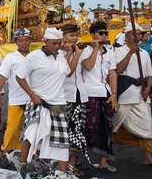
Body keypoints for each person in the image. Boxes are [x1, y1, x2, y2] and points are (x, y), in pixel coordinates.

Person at [16, 27, 70, 176]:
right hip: (38, 102)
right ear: (45, 41)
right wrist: (32, 95)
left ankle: (61, 173)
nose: (57, 46)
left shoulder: (61, 57)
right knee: (31, 135)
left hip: (58, 103)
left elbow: (68, 72)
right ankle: (23, 165)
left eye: (59, 43)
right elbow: (19, 77)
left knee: (60, 139)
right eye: (54, 43)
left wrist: (74, 53)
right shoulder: (33, 57)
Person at [113, 23, 152, 169]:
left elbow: (150, 75)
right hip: (124, 94)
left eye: (139, 34)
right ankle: (105, 155)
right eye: (133, 34)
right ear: (126, 36)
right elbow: (118, 70)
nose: (136, 37)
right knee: (114, 125)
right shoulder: (118, 51)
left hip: (140, 95)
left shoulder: (145, 53)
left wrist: (148, 88)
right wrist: (130, 53)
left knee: (147, 124)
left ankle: (148, 156)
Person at [80, 20, 118, 173]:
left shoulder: (110, 51)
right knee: (88, 127)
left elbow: (113, 73)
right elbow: (88, 66)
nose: (104, 36)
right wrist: (95, 49)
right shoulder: (85, 50)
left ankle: (103, 161)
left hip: (106, 92)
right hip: (89, 93)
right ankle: (76, 158)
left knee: (107, 127)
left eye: (106, 33)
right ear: (93, 35)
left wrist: (114, 94)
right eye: (101, 33)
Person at [0, 28, 31, 155]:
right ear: (16, 42)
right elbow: (2, 77)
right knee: (13, 128)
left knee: (30, 128)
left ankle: (24, 152)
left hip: (33, 99)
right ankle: (6, 150)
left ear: (30, 41)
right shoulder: (10, 57)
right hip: (16, 98)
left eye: (26, 40)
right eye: (20, 41)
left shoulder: (35, 56)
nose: (24, 43)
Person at [59, 24, 89, 177]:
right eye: (71, 35)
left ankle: (71, 162)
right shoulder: (57, 52)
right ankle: (62, 164)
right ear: (63, 37)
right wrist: (73, 53)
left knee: (77, 130)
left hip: (80, 94)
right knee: (64, 131)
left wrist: (94, 50)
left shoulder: (80, 50)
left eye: (75, 35)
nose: (75, 38)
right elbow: (68, 72)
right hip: (64, 96)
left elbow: (88, 67)